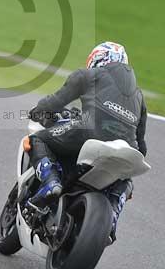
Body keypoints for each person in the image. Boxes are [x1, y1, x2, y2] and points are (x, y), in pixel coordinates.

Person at [27, 41, 147, 241]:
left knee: (36, 140)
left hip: (89, 132)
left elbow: (55, 102)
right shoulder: (140, 96)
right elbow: (141, 146)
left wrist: (39, 111)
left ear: (98, 60)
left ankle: (51, 182)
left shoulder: (89, 75)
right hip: (127, 148)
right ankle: (113, 214)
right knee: (125, 179)